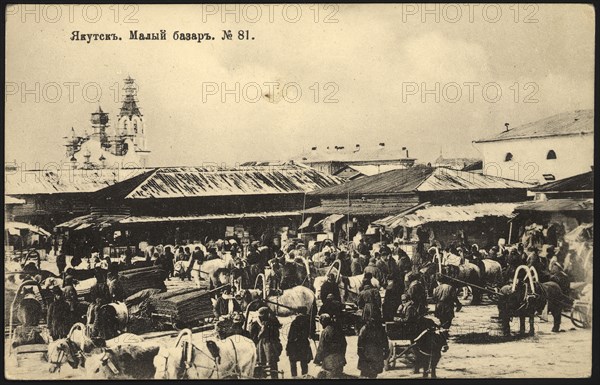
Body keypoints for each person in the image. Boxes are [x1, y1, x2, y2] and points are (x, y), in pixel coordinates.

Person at [250, 307, 283, 379]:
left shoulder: (256, 322)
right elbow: (276, 334)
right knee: (272, 362)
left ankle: (262, 377)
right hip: (271, 343)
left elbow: (253, 335)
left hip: (261, 344)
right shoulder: (273, 322)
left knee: (261, 362)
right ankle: (274, 377)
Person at [314, 313, 347, 378]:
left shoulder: (325, 331)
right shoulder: (338, 329)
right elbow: (344, 343)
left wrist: (317, 359)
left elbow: (321, 347)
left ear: (323, 322)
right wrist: (342, 354)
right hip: (340, 360)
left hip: (329, 361)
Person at [286, 306, 313, 378]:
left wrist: (288, 347)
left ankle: (294, 377)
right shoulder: (309, 321)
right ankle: (304, 377)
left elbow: (290, 336)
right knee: (304, 362)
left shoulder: (295, 321)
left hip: (294, 345)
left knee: (293, 362)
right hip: (304, 344)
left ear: (298, 312)